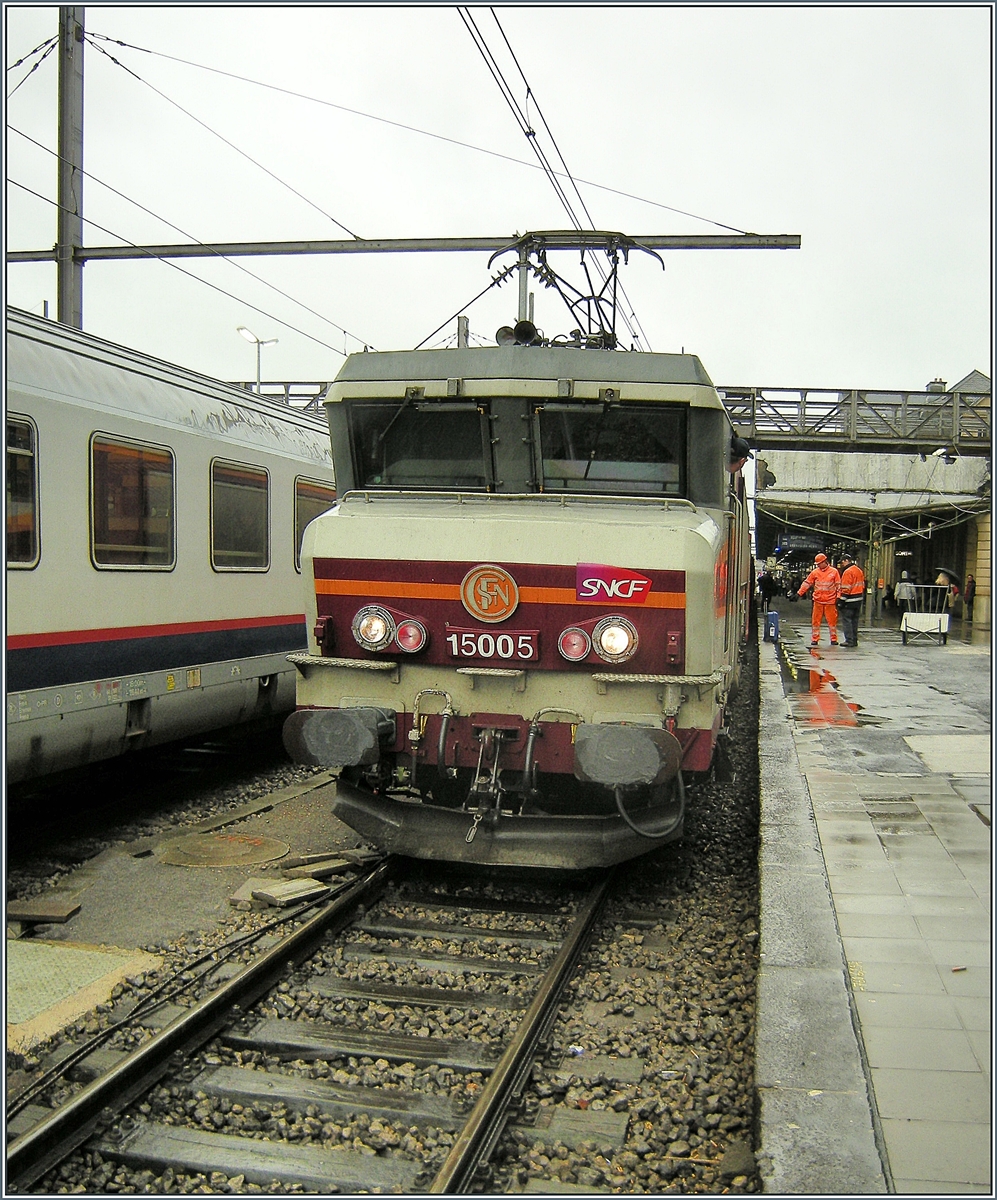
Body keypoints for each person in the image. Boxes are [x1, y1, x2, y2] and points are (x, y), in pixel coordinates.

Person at [798, 553, 841, 647]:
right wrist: (799, 593)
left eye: (819, 563)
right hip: (818, 600)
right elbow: (807, 583)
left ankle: (833, 639)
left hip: (830, 601)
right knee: (815, 621)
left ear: (825, 562)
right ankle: (815, 639)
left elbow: (838, 585)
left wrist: (838, 596)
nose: (818, 565)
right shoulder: (815, 572)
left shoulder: (834, 572)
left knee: (832, 621)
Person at [837, 553, 866, 647]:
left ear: (846, 561)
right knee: (855, 621)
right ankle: (854, 640)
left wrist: (841, 601)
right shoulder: (859, 570)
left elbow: (846, 588)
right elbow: (862, 586)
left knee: (847, 621)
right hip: (858, 600)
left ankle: (849, 640)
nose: (841, 564)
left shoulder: (847, 572)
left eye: (842, 562)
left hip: (849, 601)